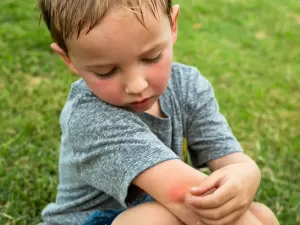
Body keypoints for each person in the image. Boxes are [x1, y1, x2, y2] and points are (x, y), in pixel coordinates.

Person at [38, 0, 279, 225]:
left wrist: (246, 172)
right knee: (154, 219)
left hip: (160, 209)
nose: (136, 86)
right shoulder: (89, 117)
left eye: (151, 57)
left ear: (172, 25)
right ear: (69, 59)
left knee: (263, 215)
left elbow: (228, 156)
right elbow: (185, 197)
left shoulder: (187, 85)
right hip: (94, 220)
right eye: (105, 71)